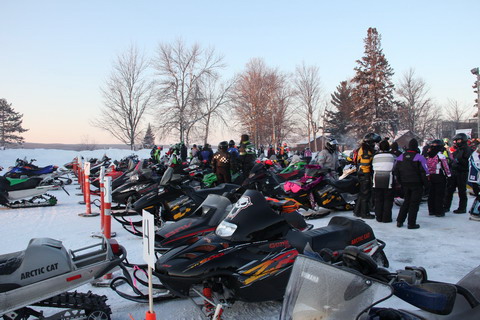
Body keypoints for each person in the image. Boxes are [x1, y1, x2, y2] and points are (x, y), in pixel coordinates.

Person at [394, 138, 429, 229]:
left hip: (405, 183)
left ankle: (399, 221)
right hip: (416, 183)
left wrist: (401, 182)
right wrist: (426, 185)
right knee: (414, 204)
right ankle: (411, 223)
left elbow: (396, 171)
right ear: (416, 147)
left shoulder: (400, 157)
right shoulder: (420, 157)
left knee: (406, 202)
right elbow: (424, 172)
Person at [352, 133, 380, 219]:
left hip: (362, 173)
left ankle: (357, 211)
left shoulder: (363, 149)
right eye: (373, 143)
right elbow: (365, 164)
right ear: (369, 142)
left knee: (362, 194)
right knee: (365, 194)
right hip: (365, 174)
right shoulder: (365, 151)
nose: (374, 145)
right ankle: (365, 213)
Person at [444, 133, 472, 214]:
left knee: (461, 191)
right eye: (456, 140)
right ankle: (446, 206)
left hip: (462, 172)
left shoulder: (467, 150)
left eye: (458, 140)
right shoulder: (458, 150)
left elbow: (467, 161)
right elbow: (453, 158)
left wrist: (458, 161)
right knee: (449, 190)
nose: (456, 142)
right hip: (454, 171)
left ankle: (462, 208)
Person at [426, 139, 452, 217]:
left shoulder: (428, 155)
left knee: (431, 194)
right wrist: (449, 176)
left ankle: (431, 210)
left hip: (430, 176)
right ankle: (439, 211)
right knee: (439, 194)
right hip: (439, 176)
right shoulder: (440, 155)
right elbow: (445, 167)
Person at [372, 140, 395, 223]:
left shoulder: (375, 156)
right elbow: (394, 167)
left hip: (376, 178)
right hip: (388, 179)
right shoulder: (392, 156)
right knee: (388, 199)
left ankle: (379, 217)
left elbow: (372, 167)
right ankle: (386, 218)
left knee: (378, 199)